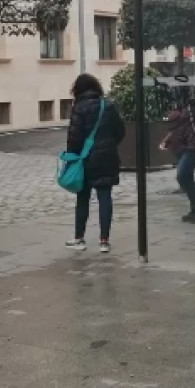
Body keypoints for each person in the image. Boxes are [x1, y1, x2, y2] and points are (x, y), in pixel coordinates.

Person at [65, 73, 126, 253]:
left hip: (85, 159)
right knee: (105, 197)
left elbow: (74, 138)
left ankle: (79, 238)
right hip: (107, 157)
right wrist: (109, 145)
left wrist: (72, 158)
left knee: (83, 198)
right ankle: (104, 240)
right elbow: (120, 131)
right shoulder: (107, 105)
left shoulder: (79, 108)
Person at [162, 90, 195, 223]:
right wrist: (168, 141)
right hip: (180, 146)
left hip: (192, 147)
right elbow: (174, 128)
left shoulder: (194, 107)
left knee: (182, 175)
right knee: (186, 177)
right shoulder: (176, 107)